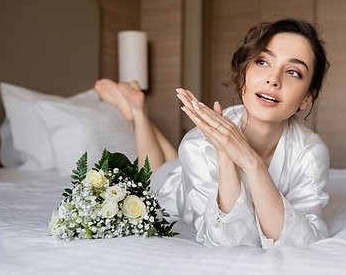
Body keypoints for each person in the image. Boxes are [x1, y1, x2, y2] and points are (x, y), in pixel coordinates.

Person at [95, 18, 330, 248]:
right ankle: (138, 111)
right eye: (262, 62)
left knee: (173, 157)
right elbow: (229, 241)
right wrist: (224, 155)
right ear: (243, 79)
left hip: (190, 160)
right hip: (174, 185)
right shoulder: (198, 145)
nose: (273, 79)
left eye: (293, 72)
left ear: (307, 98)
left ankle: (136, 107)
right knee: (153, 172)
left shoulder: (310, 151)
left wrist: (251, 162)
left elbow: (303, 239)